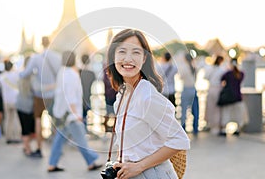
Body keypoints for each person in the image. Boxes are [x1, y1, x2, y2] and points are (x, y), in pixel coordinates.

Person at [106, 29, 190, 179]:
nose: (128, 59)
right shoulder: (122, 95)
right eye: (122, 51)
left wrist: (138, 166)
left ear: (144, 58)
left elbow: (180, 140)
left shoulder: (147, 96)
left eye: (136, 53)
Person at [47, 51, 102, 172]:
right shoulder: (72, 74)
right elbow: (71, 96)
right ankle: (92, 160)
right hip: (71, 114)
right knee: (81, 138)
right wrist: (76, 114)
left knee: (60, 138)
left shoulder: (61, 72)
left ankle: (52, 163)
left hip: (61, 112)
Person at [20, 36, 61, 158]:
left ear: (40, 44)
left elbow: (24, 74)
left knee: (38, 121)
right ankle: (56, 149)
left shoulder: (36, 58)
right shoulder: (57, 57)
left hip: (40, 95)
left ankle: (39, 149)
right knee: (55, 122)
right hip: (53, 94)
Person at [218, 58, 249, 136]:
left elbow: (222, 80)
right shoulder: (241, 73)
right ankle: (238, 129)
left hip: (228, 98)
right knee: (238, 114)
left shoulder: (228, 73)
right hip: (238, 97)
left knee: (226, 113)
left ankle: (224, 129)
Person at [0, 59, 21, 144]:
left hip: (6, 100)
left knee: (7, 118)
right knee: (15, 118)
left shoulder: (1, 76)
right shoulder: (15, 75)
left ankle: (8, 136)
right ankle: (16, 136)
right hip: (15, 99)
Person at [16, 56, 35, 156]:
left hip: (19, 104)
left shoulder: (21, 74)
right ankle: (28, 149)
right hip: (27, 106)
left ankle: (25, 146)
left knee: (24, 128)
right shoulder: (32, 77)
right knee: (28, 129)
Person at [204, 55, 226, 134]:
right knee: (217, 109)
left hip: (210, 89)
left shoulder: (210, 68)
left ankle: (210, 124)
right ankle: (217, 126)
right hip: (218, 89)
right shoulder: (222, 70)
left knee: (210, 108)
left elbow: (205, 77)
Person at [178, 53, 199, 135]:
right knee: (195, 110)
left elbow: (180, 77)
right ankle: (195, 128)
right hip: (194, 89)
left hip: (186, 89)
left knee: (184, 110)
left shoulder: (184, 68)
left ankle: (183, 128)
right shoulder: (195, 68)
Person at [79, 54, 96, 131]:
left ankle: (81, 133)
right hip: (88, 98)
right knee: (85, 117)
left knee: (79, 118)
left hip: (79, 99)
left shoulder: (78, 72)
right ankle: (85, 132)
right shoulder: (92, 74)